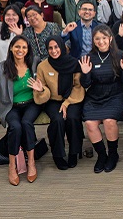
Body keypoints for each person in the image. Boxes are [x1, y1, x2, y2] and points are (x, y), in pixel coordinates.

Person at [0, 36, 41, 185]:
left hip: (31, 103)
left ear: (28, 50)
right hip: (11, 106)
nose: (20, 50)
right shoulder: (0, 68)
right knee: (15, 127)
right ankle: (12, 165)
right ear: (11, 48)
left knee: (26, 123)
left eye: (24, 47)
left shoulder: (35, 63)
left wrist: (42, 89)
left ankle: (31, 162)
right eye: (17, 47)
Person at [79, 25, 123, 173]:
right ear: (94, 41)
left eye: (104, 38)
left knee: (109, 120)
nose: (101, 41)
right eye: (97, 38)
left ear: (110, 39)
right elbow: (85, 84)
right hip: (96, 95)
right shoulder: (88, 58)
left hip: (117, 94)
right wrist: (85, 73)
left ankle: (112, 154)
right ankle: (101, 155)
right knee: (90, 123)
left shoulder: (119, 54)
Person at [30, 36, 85, 170]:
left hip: (72, 99)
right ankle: (58, 155)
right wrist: (41, 89)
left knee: (72, 118)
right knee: (58, 120)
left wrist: (67, 103)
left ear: (61, 47)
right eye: (50, 48)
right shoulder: (42, 66)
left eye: (56, 47)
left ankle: (74, 152)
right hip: (52, 100)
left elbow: (78, 86)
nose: (54, 51)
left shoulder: (74, 63)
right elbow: (44, 91)